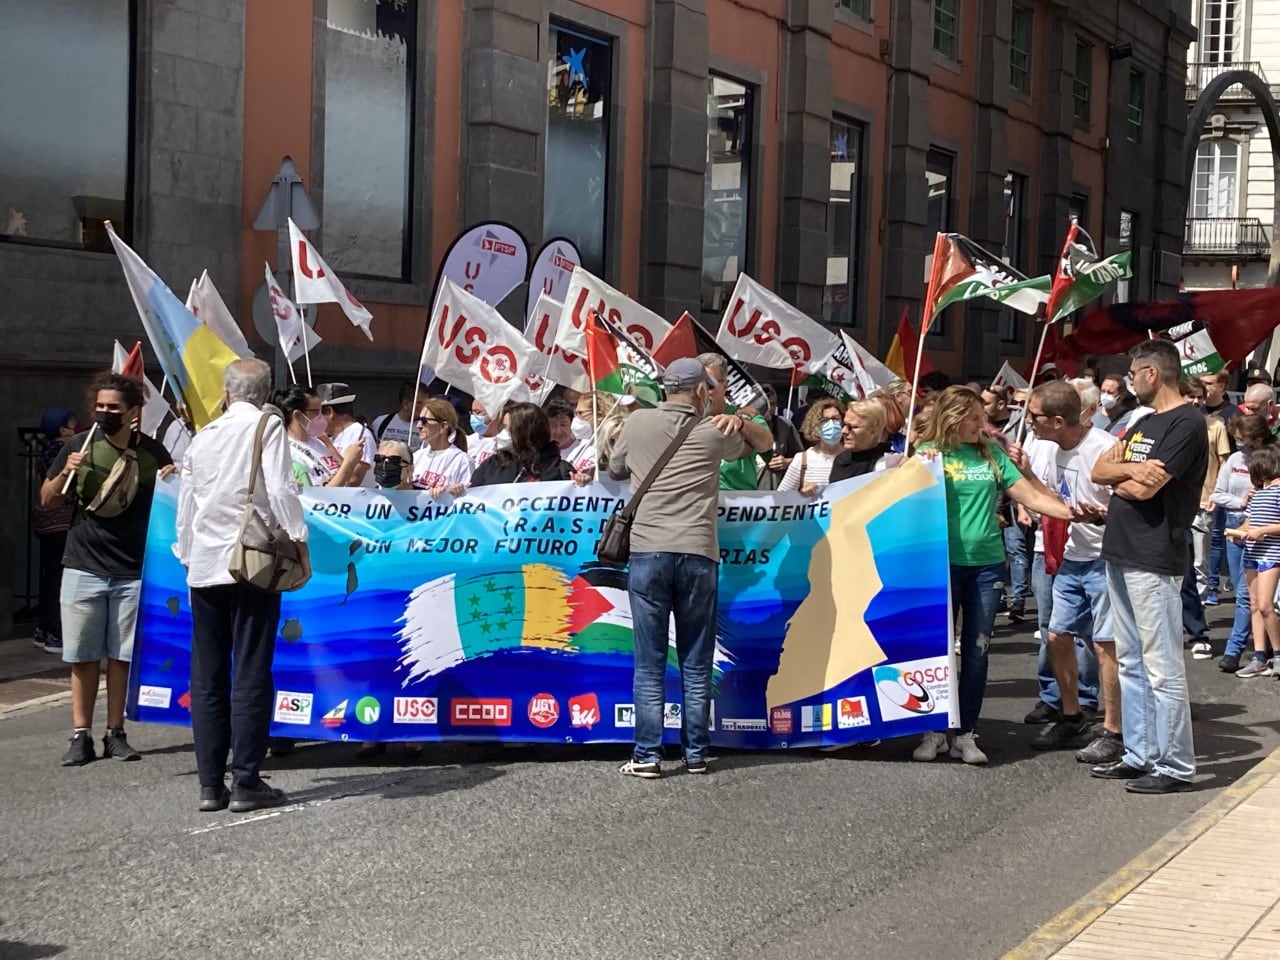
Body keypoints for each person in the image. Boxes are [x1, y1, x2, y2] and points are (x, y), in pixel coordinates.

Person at [608, 358, 763, 778]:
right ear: (700, 391)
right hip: (697, 551)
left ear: (664, 387)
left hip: (648, 550)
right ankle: (695, 754)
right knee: (696, 660)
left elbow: (615, 468)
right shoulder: (714, 430)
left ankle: (647, 756)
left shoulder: (637, 422)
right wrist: (741, 418)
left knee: (650, 661)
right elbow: (764, 443)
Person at [176, 358, 311, 813]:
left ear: (227, 392)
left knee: (208, 675)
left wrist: (186, 553)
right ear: (267, 393)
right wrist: (299, 542)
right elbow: (281, 489)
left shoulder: (203, 436)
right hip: (252, 564)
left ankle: (210, 784)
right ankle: (247, 778)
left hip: (205, 566)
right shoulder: (267, 427)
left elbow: (186, 508)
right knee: (252, 670)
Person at [912, 387, 1074, 765]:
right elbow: (900, 500)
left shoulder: (992, 452)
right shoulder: (928, 454)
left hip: (986, 563)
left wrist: (1069, 513)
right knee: (935, 651)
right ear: (951, 418)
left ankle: (965, 732)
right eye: (971, 418)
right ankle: (933, 730)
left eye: (980, 417)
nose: (980, 424)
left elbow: (1025, 494)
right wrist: (916, 468)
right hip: (940, 562)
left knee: (977, 650)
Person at [1090, 339, 1207, 794]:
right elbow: (1100, 470)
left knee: (1162, 666)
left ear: (1153, 374)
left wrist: (1123, 479)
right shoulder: (1141, 422)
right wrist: (1126, 475)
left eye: (1134, 372)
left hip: (1155, 556)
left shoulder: (1187, 423)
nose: (1129, 381)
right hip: (1121, 550)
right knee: (1132, 662)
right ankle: (1139, 753)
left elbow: (1144, 491)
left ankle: (1176, 764)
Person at [41, 373, 174, 766]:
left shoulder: (153, 453)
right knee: (82, 656)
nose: (104, 413)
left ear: (134, 412)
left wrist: (173, 479)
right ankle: (80, 734)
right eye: (99, 407)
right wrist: (67, 471)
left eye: (113, 408)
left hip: (133, 569)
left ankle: (116, 732)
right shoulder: (77, 445)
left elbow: (173, 504)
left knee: (121, 657)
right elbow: (47, 501)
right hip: (83, 565)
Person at [1022, 382, 1118, 762]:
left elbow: (1127, 503)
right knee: (1057, 636)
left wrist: (1101, 515)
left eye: (1035, 416)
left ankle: (1114, 729)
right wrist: (1027, 474)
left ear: (1058, 420)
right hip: (1071, 558)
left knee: (1104, 645)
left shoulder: (1103, 448)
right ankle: (1072, 714)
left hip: (1105, 558)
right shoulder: (1050, 447)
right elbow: (1055, 495)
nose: (1029, 421)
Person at [1214, 415, 1276, 673]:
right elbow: (1221, 496)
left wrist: (1260, 528)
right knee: (1251, 601)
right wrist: (1239, 522)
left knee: (1260, 602)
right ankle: (1260, 654)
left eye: (1244, 441)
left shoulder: (1274, 475)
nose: (1240, 445)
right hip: (1245, 539)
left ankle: (1248, 650)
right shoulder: (1238, 466)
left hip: (1269, 546)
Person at [1227, 445, 1280, 678]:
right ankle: (1259, 657)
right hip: (1252, 553)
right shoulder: (1257, 494)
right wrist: (1238, 531)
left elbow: (1269, 526)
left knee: (1267, 605)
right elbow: (1250, 523)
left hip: (1271, 554)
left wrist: (1263, 531)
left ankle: (1277, 654)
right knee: (1255, 605)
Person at [1182, 379, 1232, 607]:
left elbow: (1224, 463)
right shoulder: (1173, 425)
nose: (1195, 401)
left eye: (1199, 397)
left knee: (1200, 560)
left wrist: (1217, 495)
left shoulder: (1216, 426)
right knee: (1178, 559)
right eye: (1190, 396)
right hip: (1177, 503)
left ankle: (1199, 604)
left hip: (1204, 501)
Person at [33, 406, 79, 654]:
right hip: (58, 520)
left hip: (48, 522)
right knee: (57, 577)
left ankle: (44, 628)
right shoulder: (61, 451)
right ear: (62, 429)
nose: (76, 428)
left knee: (50, 575)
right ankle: (52, 631)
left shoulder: (46, 450)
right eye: (72, 424)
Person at [699, 353, 774, 490]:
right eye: (697, 384)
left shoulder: (744, 415)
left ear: (725, 386)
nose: (702, 390)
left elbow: (766, 444)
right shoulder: (684, 417)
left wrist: (741, 424)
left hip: (735, 504)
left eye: (710, 385)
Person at [469, 402, 574, 486]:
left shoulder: (560, 470)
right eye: (503, 427)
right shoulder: (491, 465)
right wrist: (460, 492)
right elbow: (472, 497)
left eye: (508, 429)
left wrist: (582, 485)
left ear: (527, 432)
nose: (502, 434)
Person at [277, 386, 363, 488]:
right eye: (316, 412)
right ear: (298, 415)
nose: (322, 416)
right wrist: (349, 463)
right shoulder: (287, 452)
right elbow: (318, 497)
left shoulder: (318, 442)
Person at [779, 397, 846, 493]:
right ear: (815, 425)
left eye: (836, 419)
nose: (831, 424)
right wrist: (801, 494)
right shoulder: (802, 460)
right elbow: (781, 497)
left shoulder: (852, 456)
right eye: (824, 420)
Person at [316, 382, 376, 487]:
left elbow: (353, 480)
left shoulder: (361, 435)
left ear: (330, 412)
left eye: (318, 414)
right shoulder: (333, 437)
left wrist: (328, 446)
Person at [411, 398, 472, 493]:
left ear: (443, 426)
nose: (418, 425)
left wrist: (452, 492)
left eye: (424, 421)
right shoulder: (417, 456)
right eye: (418, 420)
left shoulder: (462, 461)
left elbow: (470, 498)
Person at [828, 399, 897, 482]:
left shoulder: (888, 464)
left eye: (853, 427)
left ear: (873, 430)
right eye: (844, 424)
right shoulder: (841, 461)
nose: (844, 431)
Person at [758, 384, 805, 490]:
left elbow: (803, 459)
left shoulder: (784, 425)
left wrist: (786, 462)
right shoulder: (742, 425)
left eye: (773, 404)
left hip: (778, 494)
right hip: (747, 494)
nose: (770, 409)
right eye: (766, 404)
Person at [571, 390, 618, 478]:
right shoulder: (585, 444)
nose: (576, 418)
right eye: (575, 413)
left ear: (599, 415)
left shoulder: (613, 442)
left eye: (580, 413)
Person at [545, 396, 596, 475]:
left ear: (572, 423)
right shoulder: (539, 452)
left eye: (563, 425)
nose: (559, 431)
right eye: (553, 425)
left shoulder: (587, 449)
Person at [371, 381, 427, 451]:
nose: (424, 407)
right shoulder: (381, 422)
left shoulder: (426, 428)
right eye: (419, 403)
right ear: (406, 404)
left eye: (426, 403)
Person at [467, 398, 505, 472]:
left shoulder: (504, 443)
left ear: (496, 414)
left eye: (478, 412)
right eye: (472, 412)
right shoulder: (467, 441)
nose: (473, 416)